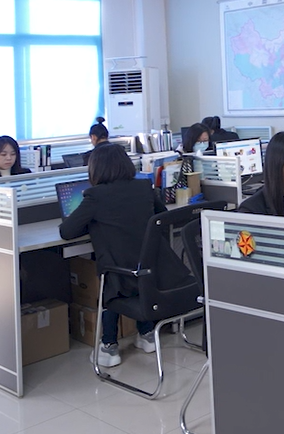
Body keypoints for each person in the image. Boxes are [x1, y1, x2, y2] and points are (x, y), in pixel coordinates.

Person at [59, 143, 188, 368]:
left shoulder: (95, 196)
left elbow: (66, 231)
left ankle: (109, 346)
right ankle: (146, 334)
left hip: (122, 278)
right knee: (133, 267)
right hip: (154, 274)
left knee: (110, 278)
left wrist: (92, 222)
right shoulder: (144, 187)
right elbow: (162, 216)